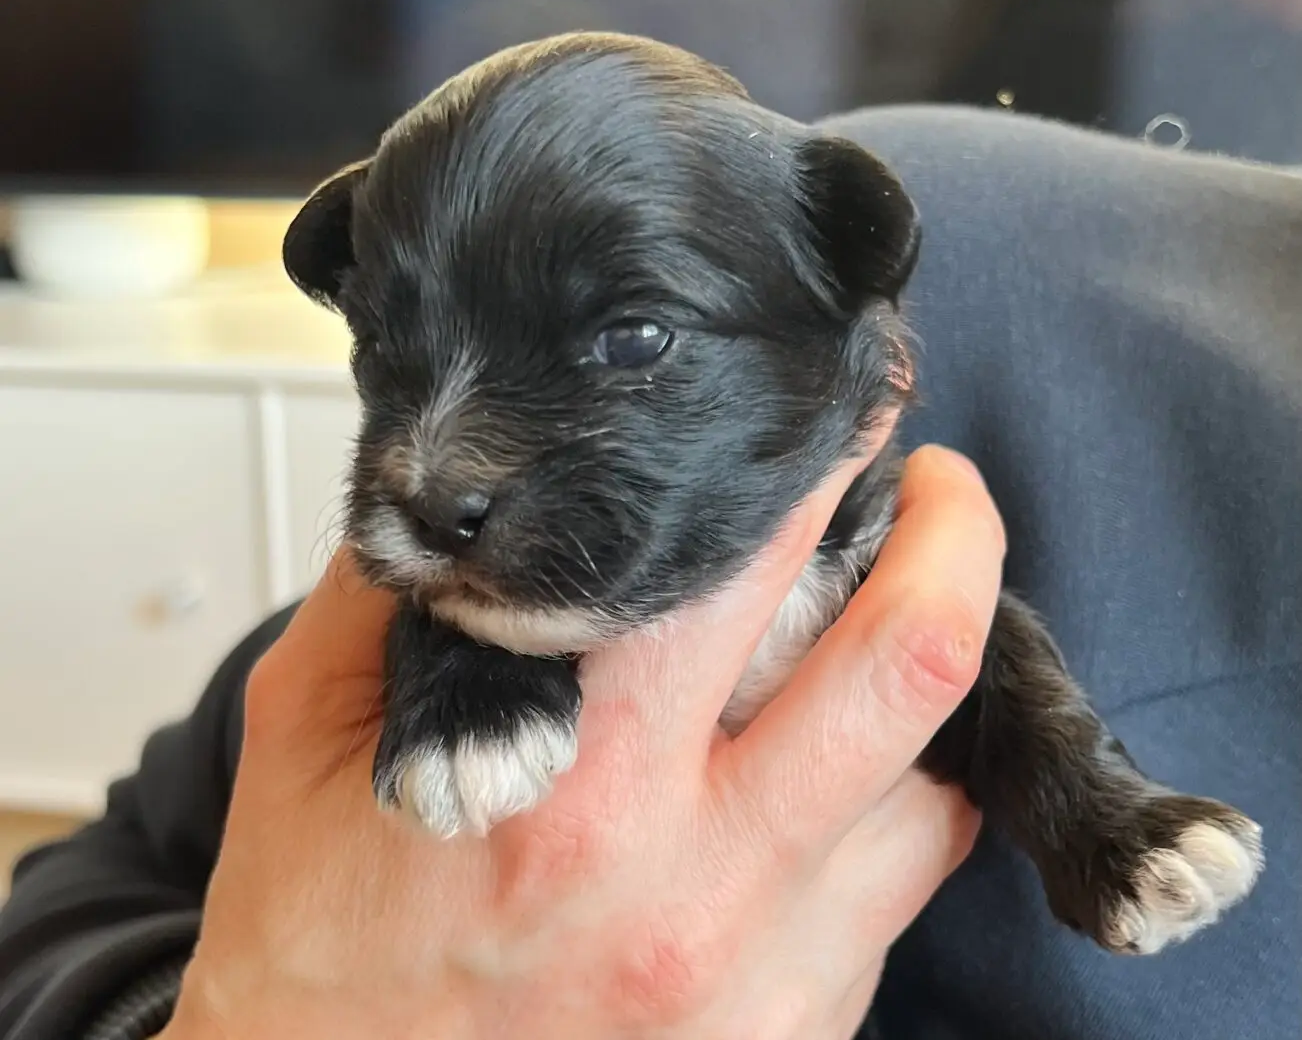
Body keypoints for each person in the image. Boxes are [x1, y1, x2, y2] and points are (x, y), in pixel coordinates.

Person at [0, 104, 1298, 1040]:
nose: (434, 464)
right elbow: (98, 883)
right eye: (392, 343)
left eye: (630, 339)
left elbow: (980, 678)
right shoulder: (872, 201)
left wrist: (1089, 806)